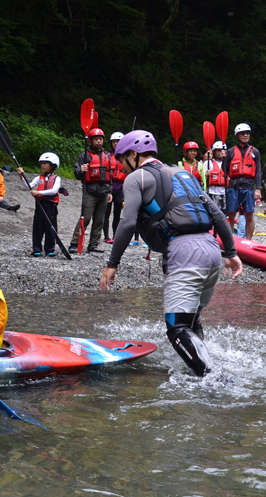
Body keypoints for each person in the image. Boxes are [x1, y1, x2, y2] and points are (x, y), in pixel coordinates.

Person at [98, 130, 242, 376]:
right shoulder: (183, 172)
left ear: (133, 154)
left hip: (185, 254)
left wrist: (112, 264)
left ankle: (213, 381)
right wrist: (230, 253)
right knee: (191, 319)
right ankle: (203, 366)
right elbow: (217, 215)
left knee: (176, 329)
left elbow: (127, 223)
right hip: (212, 251)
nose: (123, 167)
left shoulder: (137, 178)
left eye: (123, 160)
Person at [71, 128, 111, 253]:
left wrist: (110, 191)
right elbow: (77, 174)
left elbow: (109, 176)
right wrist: (81, 170)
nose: (98, 141)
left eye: (100, 139)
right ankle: (74, 243)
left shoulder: (106, 156)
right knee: (85, 218)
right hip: (90, 192)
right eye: (96, 139)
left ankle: (93, 244)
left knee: (99, 220)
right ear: (91, 141)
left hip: (103, 192)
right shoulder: (85, 155)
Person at [18, 153, 62, 257]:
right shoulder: (39, 177)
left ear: (53, 165)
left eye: (45, 163)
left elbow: (54, 190)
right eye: (42, 163)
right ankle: (37, 249)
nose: (43, 165)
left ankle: (49, 249)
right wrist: (21, 176)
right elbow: (29, 187)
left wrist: (39, 193)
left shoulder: (57, 178)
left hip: (51, 206)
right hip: (40, 204)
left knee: (50, 227)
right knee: (38, 227)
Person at [223, 123, 262, 240]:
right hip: (234, 186)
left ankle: (248, 243)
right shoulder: (230, 152)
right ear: (237, 136)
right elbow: (224, 171)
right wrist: (224, 159)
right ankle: (230, 242)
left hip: (248, 186)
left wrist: (258, 189)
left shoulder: (255, 152)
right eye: (242, 133)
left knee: (249, 215)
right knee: (231, 214)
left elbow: (258, 171)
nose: (245, 135)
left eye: (247, 133)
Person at [104, 131, 128, 243]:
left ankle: (115, 235)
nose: (116, 144)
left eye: (118, 141)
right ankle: (106, 236)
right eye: (114, 142)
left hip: (120, 189)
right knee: (106, 213)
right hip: (109, 188)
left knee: (117, 214)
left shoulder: (126, 157)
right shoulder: (108, 156)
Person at [204, 141, 227, 216]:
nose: (221, 152)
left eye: (222, 150)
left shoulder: (227, 163)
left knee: (224, 215)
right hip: (212, 192)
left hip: (224, 193)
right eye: (219, 150)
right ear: (214, 152)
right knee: (212, 215)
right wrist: (206, 176)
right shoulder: (208, 163)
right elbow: (203, 180)